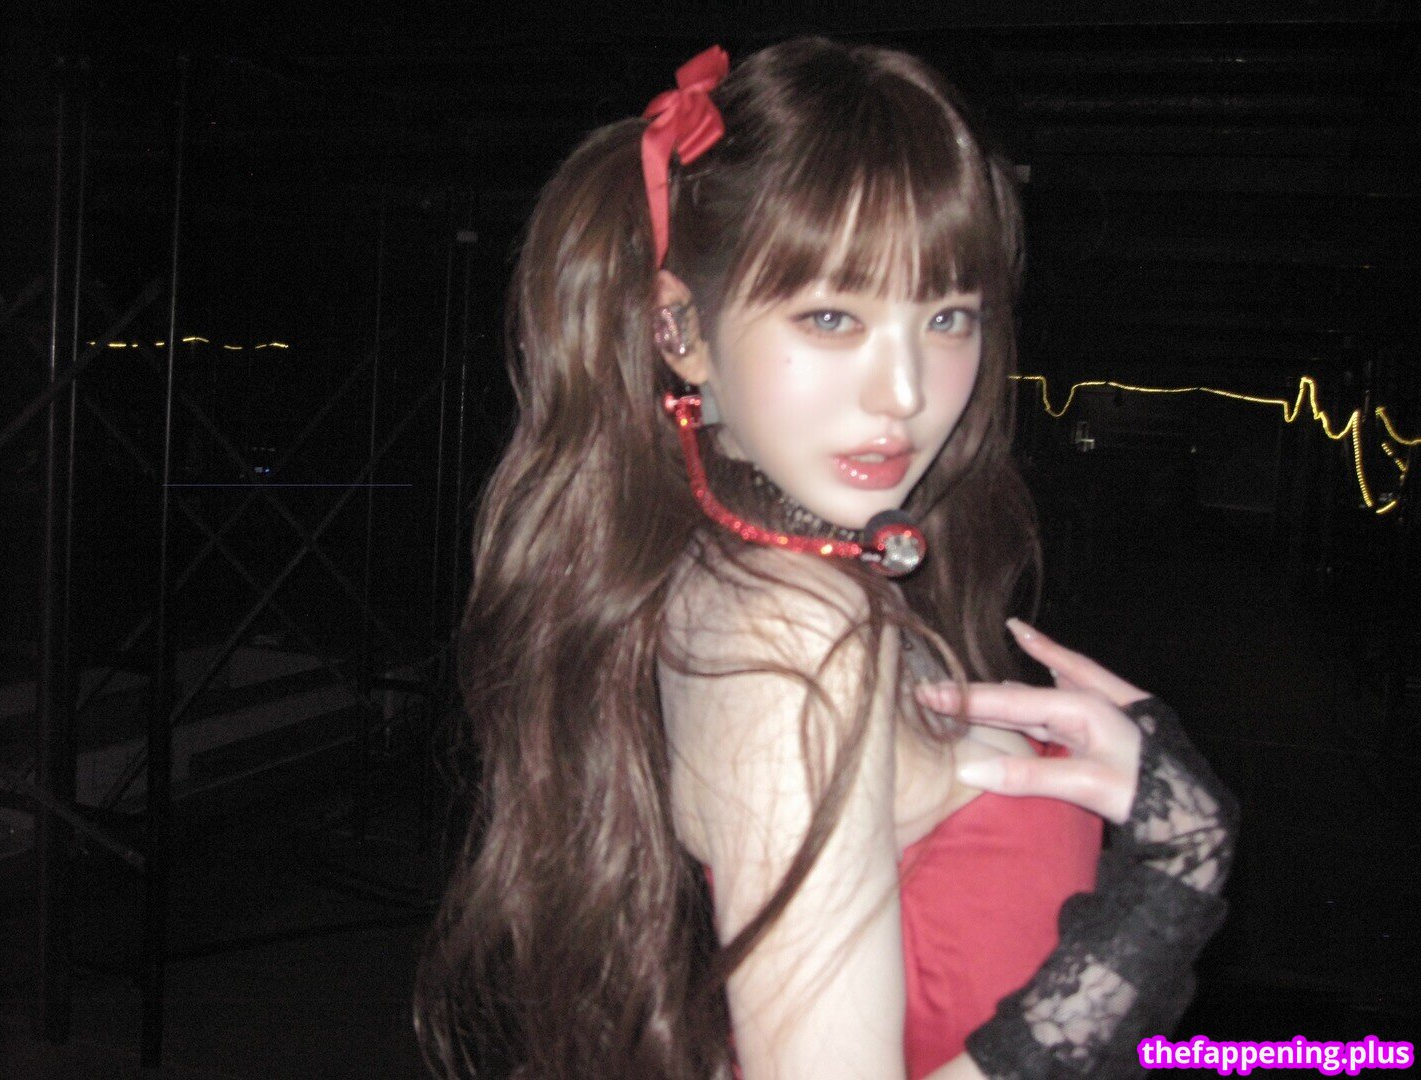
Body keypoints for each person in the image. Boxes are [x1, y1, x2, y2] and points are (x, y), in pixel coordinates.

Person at [414, 38, 1236, 1080]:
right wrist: (1162, 896)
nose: (905, 391)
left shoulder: (783, 573)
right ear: (681, 330)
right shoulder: (799, 632)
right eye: (833, 316)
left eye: (947, 316)